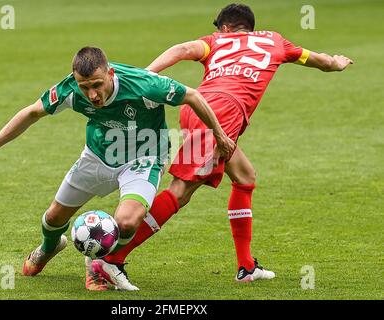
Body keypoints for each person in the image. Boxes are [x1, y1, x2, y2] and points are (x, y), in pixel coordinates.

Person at [89, 3, 353, 290]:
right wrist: (336, 62)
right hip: (223, 114)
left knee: (244, 177)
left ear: (225, 28)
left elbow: (179, 50)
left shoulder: (216, 41)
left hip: (200, 107)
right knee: (182, 190)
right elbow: (321, 61)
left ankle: (246, 267)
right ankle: (112, 259)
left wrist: (143, 77)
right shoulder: (277, 42)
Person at [0, 46, 235, 291]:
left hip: (144, 159)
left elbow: (193, 96)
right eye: (85, 87)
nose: (92, 94)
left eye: (97, 84)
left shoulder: (144, 85)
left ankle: (97, 263)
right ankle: (49, 247)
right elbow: (31, 112)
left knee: (126, 222)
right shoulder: (70, 89)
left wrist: (220, 137)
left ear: (110, 74)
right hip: (97, 156)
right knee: (52, 218)